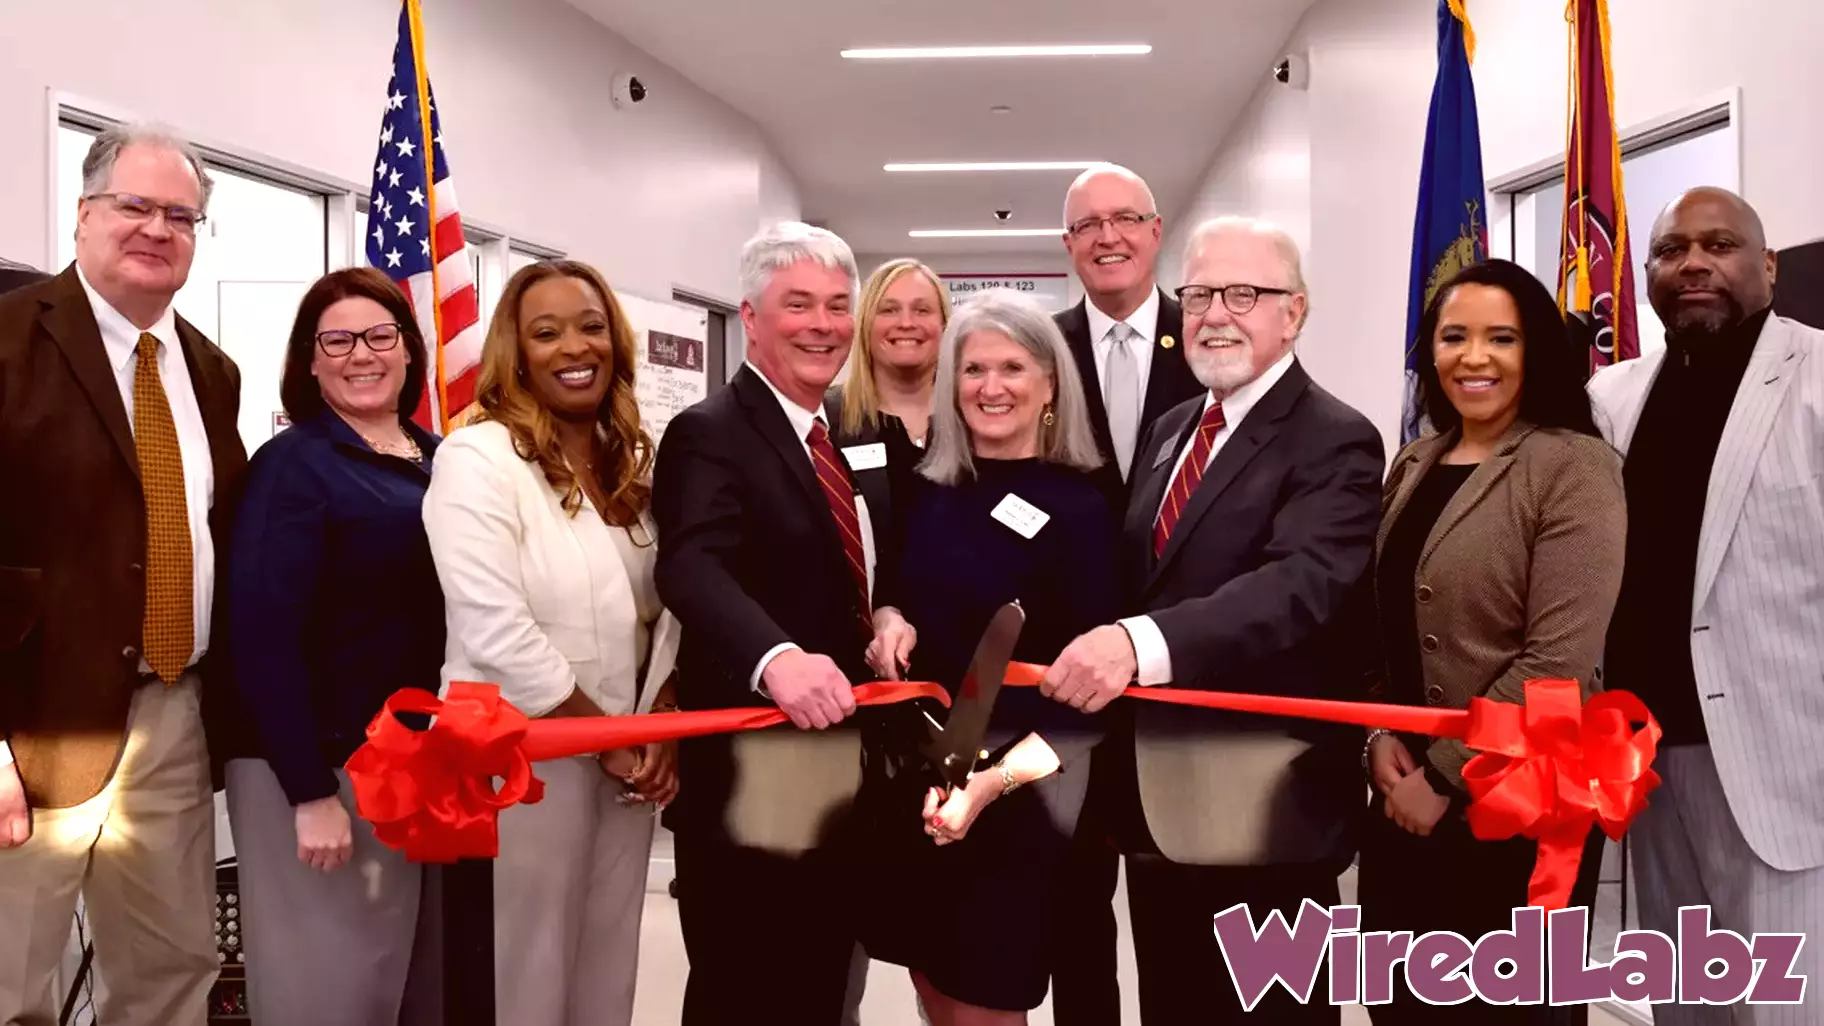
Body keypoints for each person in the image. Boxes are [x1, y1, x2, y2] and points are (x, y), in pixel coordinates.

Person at [1041, 216, 1383, 1024]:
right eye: (1197, 296)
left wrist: (1135, 645)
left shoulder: (1334, 438)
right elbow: (1139, 580)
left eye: (1243, 294)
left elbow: (1299, 586)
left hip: (1265, 807)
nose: (1215, 314)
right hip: (1163, 801)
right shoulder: (1172, 433)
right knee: (1175, 1004)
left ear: (1293, 312)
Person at [0, 123, 247, 1025]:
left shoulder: (212, 373)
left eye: (180, 215)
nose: (156, 228)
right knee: (10, 982)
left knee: (170, 971)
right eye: (133, 206)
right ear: (83, 214)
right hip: (33, 727)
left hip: (173, 714)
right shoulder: (8, 342)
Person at [653, 221, 914, 1024]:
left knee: (817, 981)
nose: (823, 324)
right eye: (797, 304)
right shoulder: (710, 432)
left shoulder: (839, 431)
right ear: (752, 317)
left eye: (839, 306)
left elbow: (857, 562)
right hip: (753, 776)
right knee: (747, 987)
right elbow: (690, 568)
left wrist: (888, 610)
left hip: (840, 770)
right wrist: (777, 657)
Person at [1355, 259, 1621, 1023]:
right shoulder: (1414, 461)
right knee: (1403, 1005)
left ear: (1534, 348)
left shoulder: (1574, 466)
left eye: (1500, 338)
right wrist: (1377, 736)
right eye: (1454, 337)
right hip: (1401, 793)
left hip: (1523, 807)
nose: (1474, 358)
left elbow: (1560, 666)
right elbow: (1382, 623)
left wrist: (1441, 779)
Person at [423, 259, 681, 1026]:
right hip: (518, 762)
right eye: (548, 332)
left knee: (608, 969)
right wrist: (595, 731)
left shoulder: (631, 461)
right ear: (516, 350)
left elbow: (669, 612)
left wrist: (661, 719)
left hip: (627, 760)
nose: (576, 347)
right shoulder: (478, 459)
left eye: (592, 327)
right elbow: (491, 621)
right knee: (521, 977)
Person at [1589, 187, 1824, 1026]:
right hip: (1647, 762)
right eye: (1671, 249)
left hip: (1785, 769)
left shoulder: (1816, 379)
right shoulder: (1611, 398)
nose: (1693, 262)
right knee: (1683, 1006)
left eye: (1720, 245)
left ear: (1766, 266)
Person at [856, 288, 1116, 1025]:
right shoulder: (929, 490)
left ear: (1049, 385)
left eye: (1012, 367)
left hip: (1017, 800)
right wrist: (890, 618)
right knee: (934, 988)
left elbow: (1089, 703)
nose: (991, 387)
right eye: (973, 369)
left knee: (985, 1000)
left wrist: (988, 785)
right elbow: (894, 589)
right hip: (919, 785)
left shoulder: (1082, 509)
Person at [224, 268, 444, 1026]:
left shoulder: (439, 458)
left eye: (380, 336)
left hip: (411, 765)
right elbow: (259, 631)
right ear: (310, 362)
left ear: (410, 351)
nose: (362, 355)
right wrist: (310, 790)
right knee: (326, 995)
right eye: (338, 340)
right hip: (319, 768)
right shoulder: (293, 466)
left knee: (394, 989)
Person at [1048, 164, 1204, 1024]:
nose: (1108, 237)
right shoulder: (1042, 349)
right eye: (1087, 226)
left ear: (1155, 229)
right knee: (1075, 921)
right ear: (1067, 247)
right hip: (1069, 684)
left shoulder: (1213, 336)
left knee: (1177, 919)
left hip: (1182, 681)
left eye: (1126, 219)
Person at [830, 257, 948, 449]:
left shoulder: (971, 415)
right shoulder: (826, 418)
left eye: (922, 310)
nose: (906, 323)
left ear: (944, 324)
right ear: (866, 324)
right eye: (889, 310)